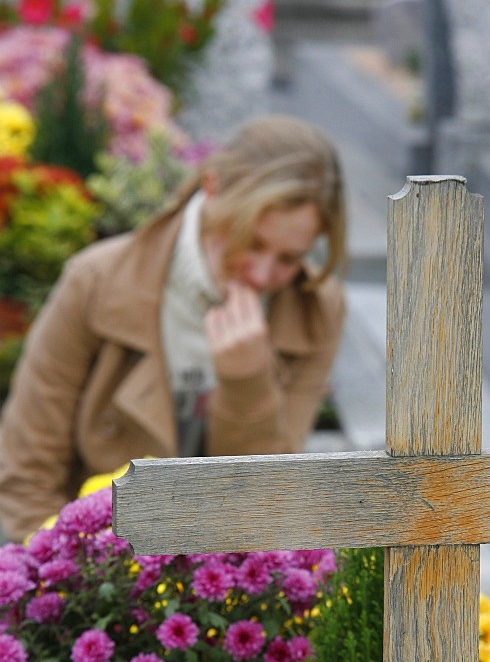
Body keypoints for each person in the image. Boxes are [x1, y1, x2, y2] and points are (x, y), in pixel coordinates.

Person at [0, 115, 347, 542]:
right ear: (213, 187)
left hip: (225, 579)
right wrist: (66, 583)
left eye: (289, 258)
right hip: (94, 571)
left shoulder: (316, 307)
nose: (261, 274)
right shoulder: (95, 282)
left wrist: (246, 384)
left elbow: (268, 503)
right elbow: (27, 472)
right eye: (251, 242)